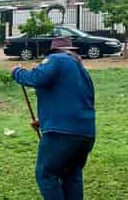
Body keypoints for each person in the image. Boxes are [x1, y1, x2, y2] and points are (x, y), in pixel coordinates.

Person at [11, 37, 95, 200]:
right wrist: (44, 122)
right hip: (85, 134)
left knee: (46, 173)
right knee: (72, 176)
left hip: (61, 134)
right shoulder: (82, 71)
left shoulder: (57, 59)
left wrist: (17, 72)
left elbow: (35, 78)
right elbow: (75, 102)